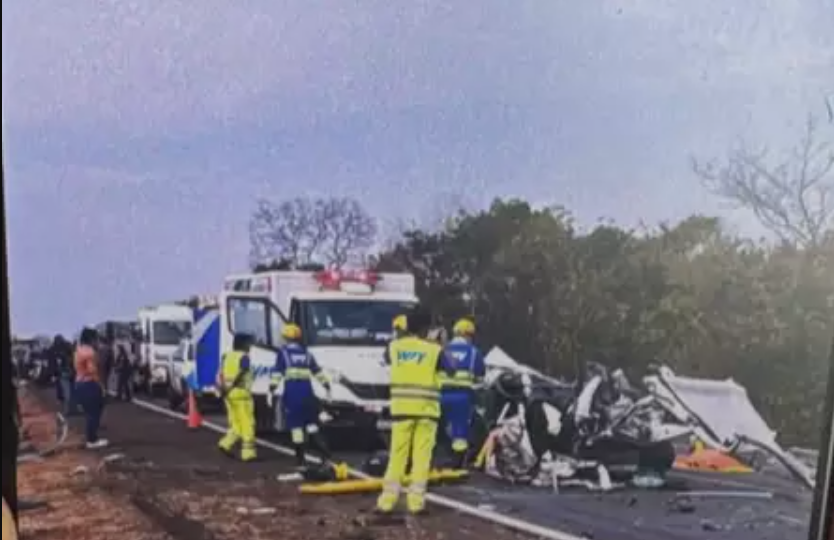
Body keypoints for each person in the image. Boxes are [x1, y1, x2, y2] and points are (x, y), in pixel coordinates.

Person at [376, 307, 455, 516]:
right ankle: (416, 504)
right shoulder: (434, 350)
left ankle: (386, 502)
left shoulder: (394, 347)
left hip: (401, 410)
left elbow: (387, 359)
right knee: (421, 459)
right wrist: (439, 344)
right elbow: (452, 368)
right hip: (427, 412)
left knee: (397, 457)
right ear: (427, 328)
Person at [270, 323, 332, 468]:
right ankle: (325, 455)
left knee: (297, 429)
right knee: (312, 426)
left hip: (292, 396)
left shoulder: (283, 353)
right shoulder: (307, 354)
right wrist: (327, 386)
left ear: (285, 337)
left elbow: (277, 373)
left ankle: (301, 461)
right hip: (308, 395)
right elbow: (318, 373)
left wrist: (271, 389)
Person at [439, 318, 485, 469]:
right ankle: (457, 463)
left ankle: (436, 457)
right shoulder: (473, 352)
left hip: (440, 395)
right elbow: (481, 375)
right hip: (462, 397)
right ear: (468, 335)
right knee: (460, 432)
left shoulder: (443, 350)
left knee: (437, 428)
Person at [217, 333, 257, 462]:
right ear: (243, 344)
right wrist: (233, 385)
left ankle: (225, 444)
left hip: (229, 395)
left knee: (236, 424)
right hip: (242, 394)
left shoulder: (226, 356)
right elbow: (242, 372)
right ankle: (248, 454)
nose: (250, 346)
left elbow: (220, 373)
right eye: (249, 343)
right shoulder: (244, 357)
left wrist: (223, 388)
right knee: (248, 424)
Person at [74, 328, 108, 449]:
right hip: (89, 383)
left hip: (79, 383)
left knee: (90, 412)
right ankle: (92, 439)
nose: (97, 341)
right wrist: (101, 386)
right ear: (91, 339)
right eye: (95, 338)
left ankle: (91, 437)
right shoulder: (90, 352)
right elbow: (93, 371)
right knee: (94, 412)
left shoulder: (78, 350)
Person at [50, 335, 78, 416]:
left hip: (67, 373)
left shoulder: (58, 349)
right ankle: (70, 410)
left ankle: (70, 410)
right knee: (69, 393)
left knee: (69, 393)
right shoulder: (61, 350)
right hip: (66, 373)